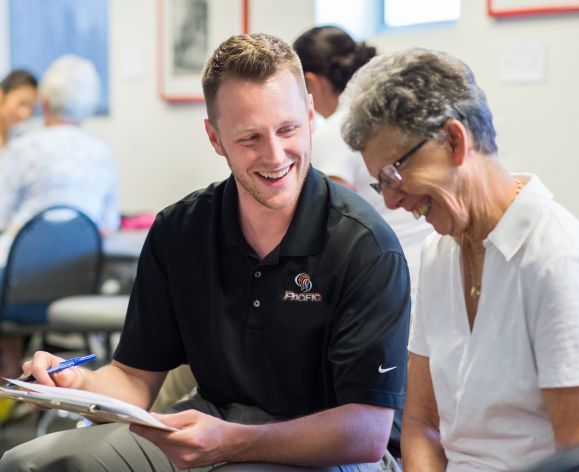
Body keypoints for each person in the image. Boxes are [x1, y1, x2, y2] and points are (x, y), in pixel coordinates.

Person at [0, 33, 410, 471]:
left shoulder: (364, 246)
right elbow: (136, 380)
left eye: (288, 129)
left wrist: (234, 442)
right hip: (213, 422)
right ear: (215, 138)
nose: (275, 156)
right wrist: (77, 381)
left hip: (330, 450)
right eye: (250, 137)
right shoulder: (180, 231)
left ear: (310, 115)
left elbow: (367, 434)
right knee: (29, 461)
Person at [340, 48, 579, 471]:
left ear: (454, 140)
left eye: (394, 175)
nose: (392, 201)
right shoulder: (438, 255)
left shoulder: (554, 258)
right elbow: (422, 427)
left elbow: (571, 452)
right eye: (380, 186)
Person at [0, 54, 119, 380]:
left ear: (44, 101)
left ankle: (9, 376)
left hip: (16, 291)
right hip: (80, 288)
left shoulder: (22, 149)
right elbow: (108, 226)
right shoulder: (102, 153)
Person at [293, 26, 431, 304]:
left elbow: (335, 230)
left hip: (390, 284)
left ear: (311, 82)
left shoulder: (333, 132)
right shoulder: (389, 120)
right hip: (428, 270)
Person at [0, 69, 38, 149]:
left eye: (31, 108)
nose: (25, 114)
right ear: (1, 95)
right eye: (22, 103)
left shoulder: (16, 139)